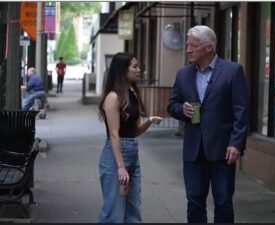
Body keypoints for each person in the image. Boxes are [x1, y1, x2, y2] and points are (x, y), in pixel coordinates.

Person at [167, 25, 249, 223]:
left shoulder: (232, 71)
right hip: (193, 151)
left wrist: (236, 143)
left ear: (209, 47)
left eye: (193, 46)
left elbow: (241, 111)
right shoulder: (183, 74)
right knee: (194, 201)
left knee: (223, 201)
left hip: (223, 151)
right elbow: (172, 105)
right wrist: (182, 110)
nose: (188, 50)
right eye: (188, 45)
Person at [98, 52, 162, 223]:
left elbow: (133, 132)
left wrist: (149, 122)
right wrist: (120, 167)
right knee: (114, 212)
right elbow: (114, 134)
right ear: (122, 70)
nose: (139, 70)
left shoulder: (132, 94)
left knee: (133, 211)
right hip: (116, 158)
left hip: (132, 153)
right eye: (134, 66)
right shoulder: (113, 97)